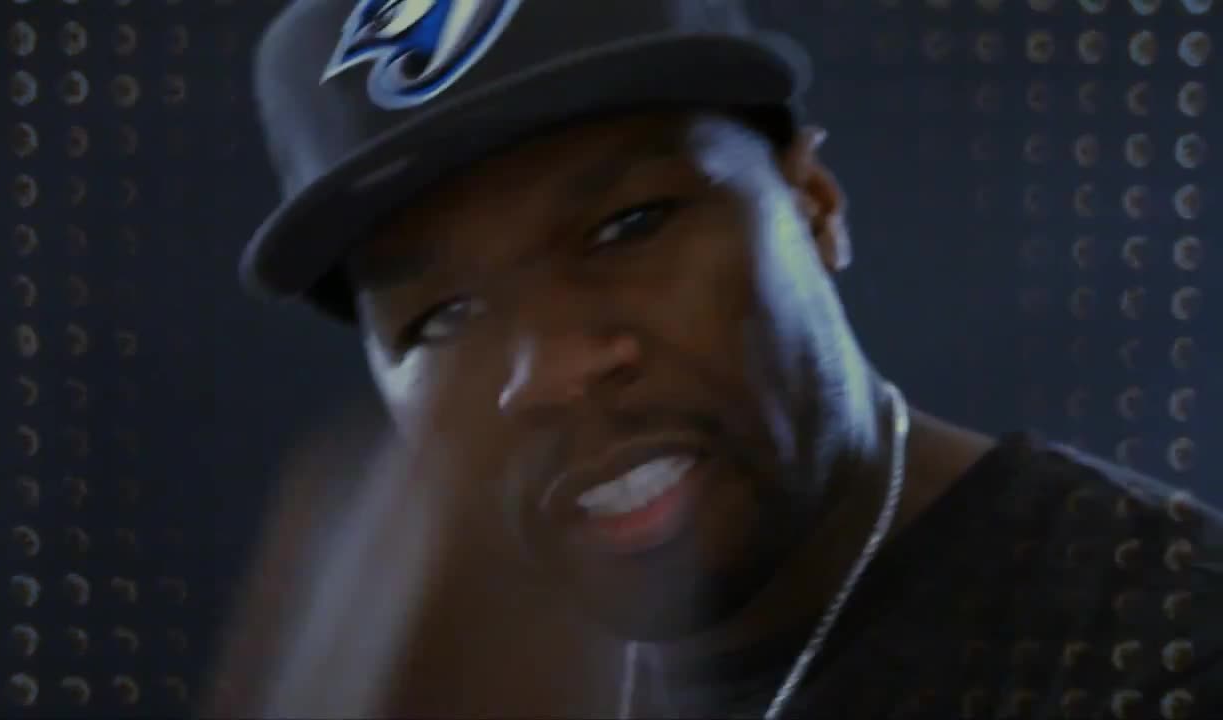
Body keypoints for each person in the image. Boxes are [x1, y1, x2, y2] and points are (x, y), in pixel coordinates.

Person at [225, 0, 1223, 717]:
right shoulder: (469, 671)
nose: (552, 371)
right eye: (443, 317)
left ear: (812, 203)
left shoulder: (1158, 648)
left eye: (629, 225)